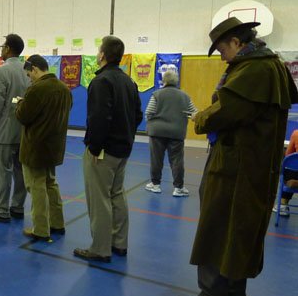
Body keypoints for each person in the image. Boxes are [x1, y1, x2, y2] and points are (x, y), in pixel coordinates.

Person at [175, 17, 298, 296]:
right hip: (255, 166)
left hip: (234, 166)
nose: (221, 56)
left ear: (238, 42)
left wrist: (200, 118)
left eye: (221, 48)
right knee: (240, 229)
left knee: (217, 227)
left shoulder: (253, 70)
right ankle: (233, 293)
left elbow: (224, 113)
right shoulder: (274, 66)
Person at [73, 35, 142, 262]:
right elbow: (137, 115)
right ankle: (119, 243)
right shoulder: (129, 82)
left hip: (104, 150)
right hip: (123, 148)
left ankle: (100, 248)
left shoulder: (101, 81)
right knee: (117, 194)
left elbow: (99, 118)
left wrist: (94, 147)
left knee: (99, 198)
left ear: (102, 55)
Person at [16, 55, 72, 241]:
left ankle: (40, 228)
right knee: (51, 183)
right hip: (54, 146)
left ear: (34, 69)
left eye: (28, 74)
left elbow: (23, 116)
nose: (29, 77)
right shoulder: (64, 89)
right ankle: (57, 223)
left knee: (36, 186)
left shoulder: (37, 89)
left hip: (35, 147)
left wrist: (20, 103)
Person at [0, 33, 31, 223]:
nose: (1, 50)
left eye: (2, 46)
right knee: (20, 171)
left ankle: (1, 209)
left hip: (4, 130)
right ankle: (17, 206)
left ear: (8, 48)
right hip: (24, 131)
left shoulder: (1, 72)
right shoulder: (28, 71)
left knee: (2, 171)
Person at [144, 69, 197, 197]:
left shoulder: (157, 94)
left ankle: (155, 185)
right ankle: (178, 188)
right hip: (177, 132)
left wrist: (152, 124)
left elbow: (148, 113)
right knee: (177, 160)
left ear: (164, 81)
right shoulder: (185, 96)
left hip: (157, 132)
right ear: (176, 81)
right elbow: (194, 113)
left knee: (156, 159)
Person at [276, 129, 298, 216]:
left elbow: (288, 154)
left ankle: (283, 203)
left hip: (293, 175)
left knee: (290, 165)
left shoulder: (296, 133)